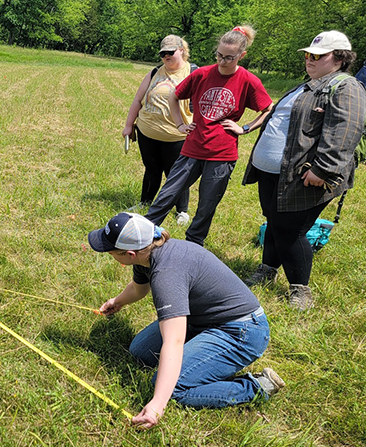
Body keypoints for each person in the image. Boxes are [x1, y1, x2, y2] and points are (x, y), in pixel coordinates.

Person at [89, 212, 284, 430]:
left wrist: (157, 404)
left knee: (172, 389)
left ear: (130, 254)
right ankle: (201, 354)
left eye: (111, 251)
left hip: (242, 331)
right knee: (140, 351)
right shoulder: (150, 250)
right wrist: (118, 301)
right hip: (201, 320)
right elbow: (138, 288)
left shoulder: (166, 274)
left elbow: (173, 341)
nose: (109, 254)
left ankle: (256, 387)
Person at [241, 30, 366, 310]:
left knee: (291, 230)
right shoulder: (308, 85)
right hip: (274, 172)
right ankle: (267, 270)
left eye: (318, 56)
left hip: (307, 175)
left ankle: (300, 289)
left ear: (339, 59)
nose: (309, 60)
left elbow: (345, 132)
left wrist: (322, 170)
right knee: (274, 222)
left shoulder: (347, 87)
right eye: (308, 54)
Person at [145, 26, 274, 246]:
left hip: (222, 154)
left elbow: (268, 108)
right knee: (168, 195)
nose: (222, 61)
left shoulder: (248, 80)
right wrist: (179, 124)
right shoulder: (201, 74)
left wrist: (244, 128)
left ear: (241, 56)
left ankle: (193, 245)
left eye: (229, 58)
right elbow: (175, 97)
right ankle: (143, 235)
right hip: (192, 148)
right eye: (219, 55)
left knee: (206, 205)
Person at [123, 35, 193, 225]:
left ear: (182, 50)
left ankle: (182, 211)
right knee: (151, 169)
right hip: (147, 133)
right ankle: (145, 202)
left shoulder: (193, 72)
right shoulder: (155, 72)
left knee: (176, 174)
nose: (166, 56)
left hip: (177, 137)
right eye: (163, 54)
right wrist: (129, 125)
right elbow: (137, 100)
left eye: (170, 52)